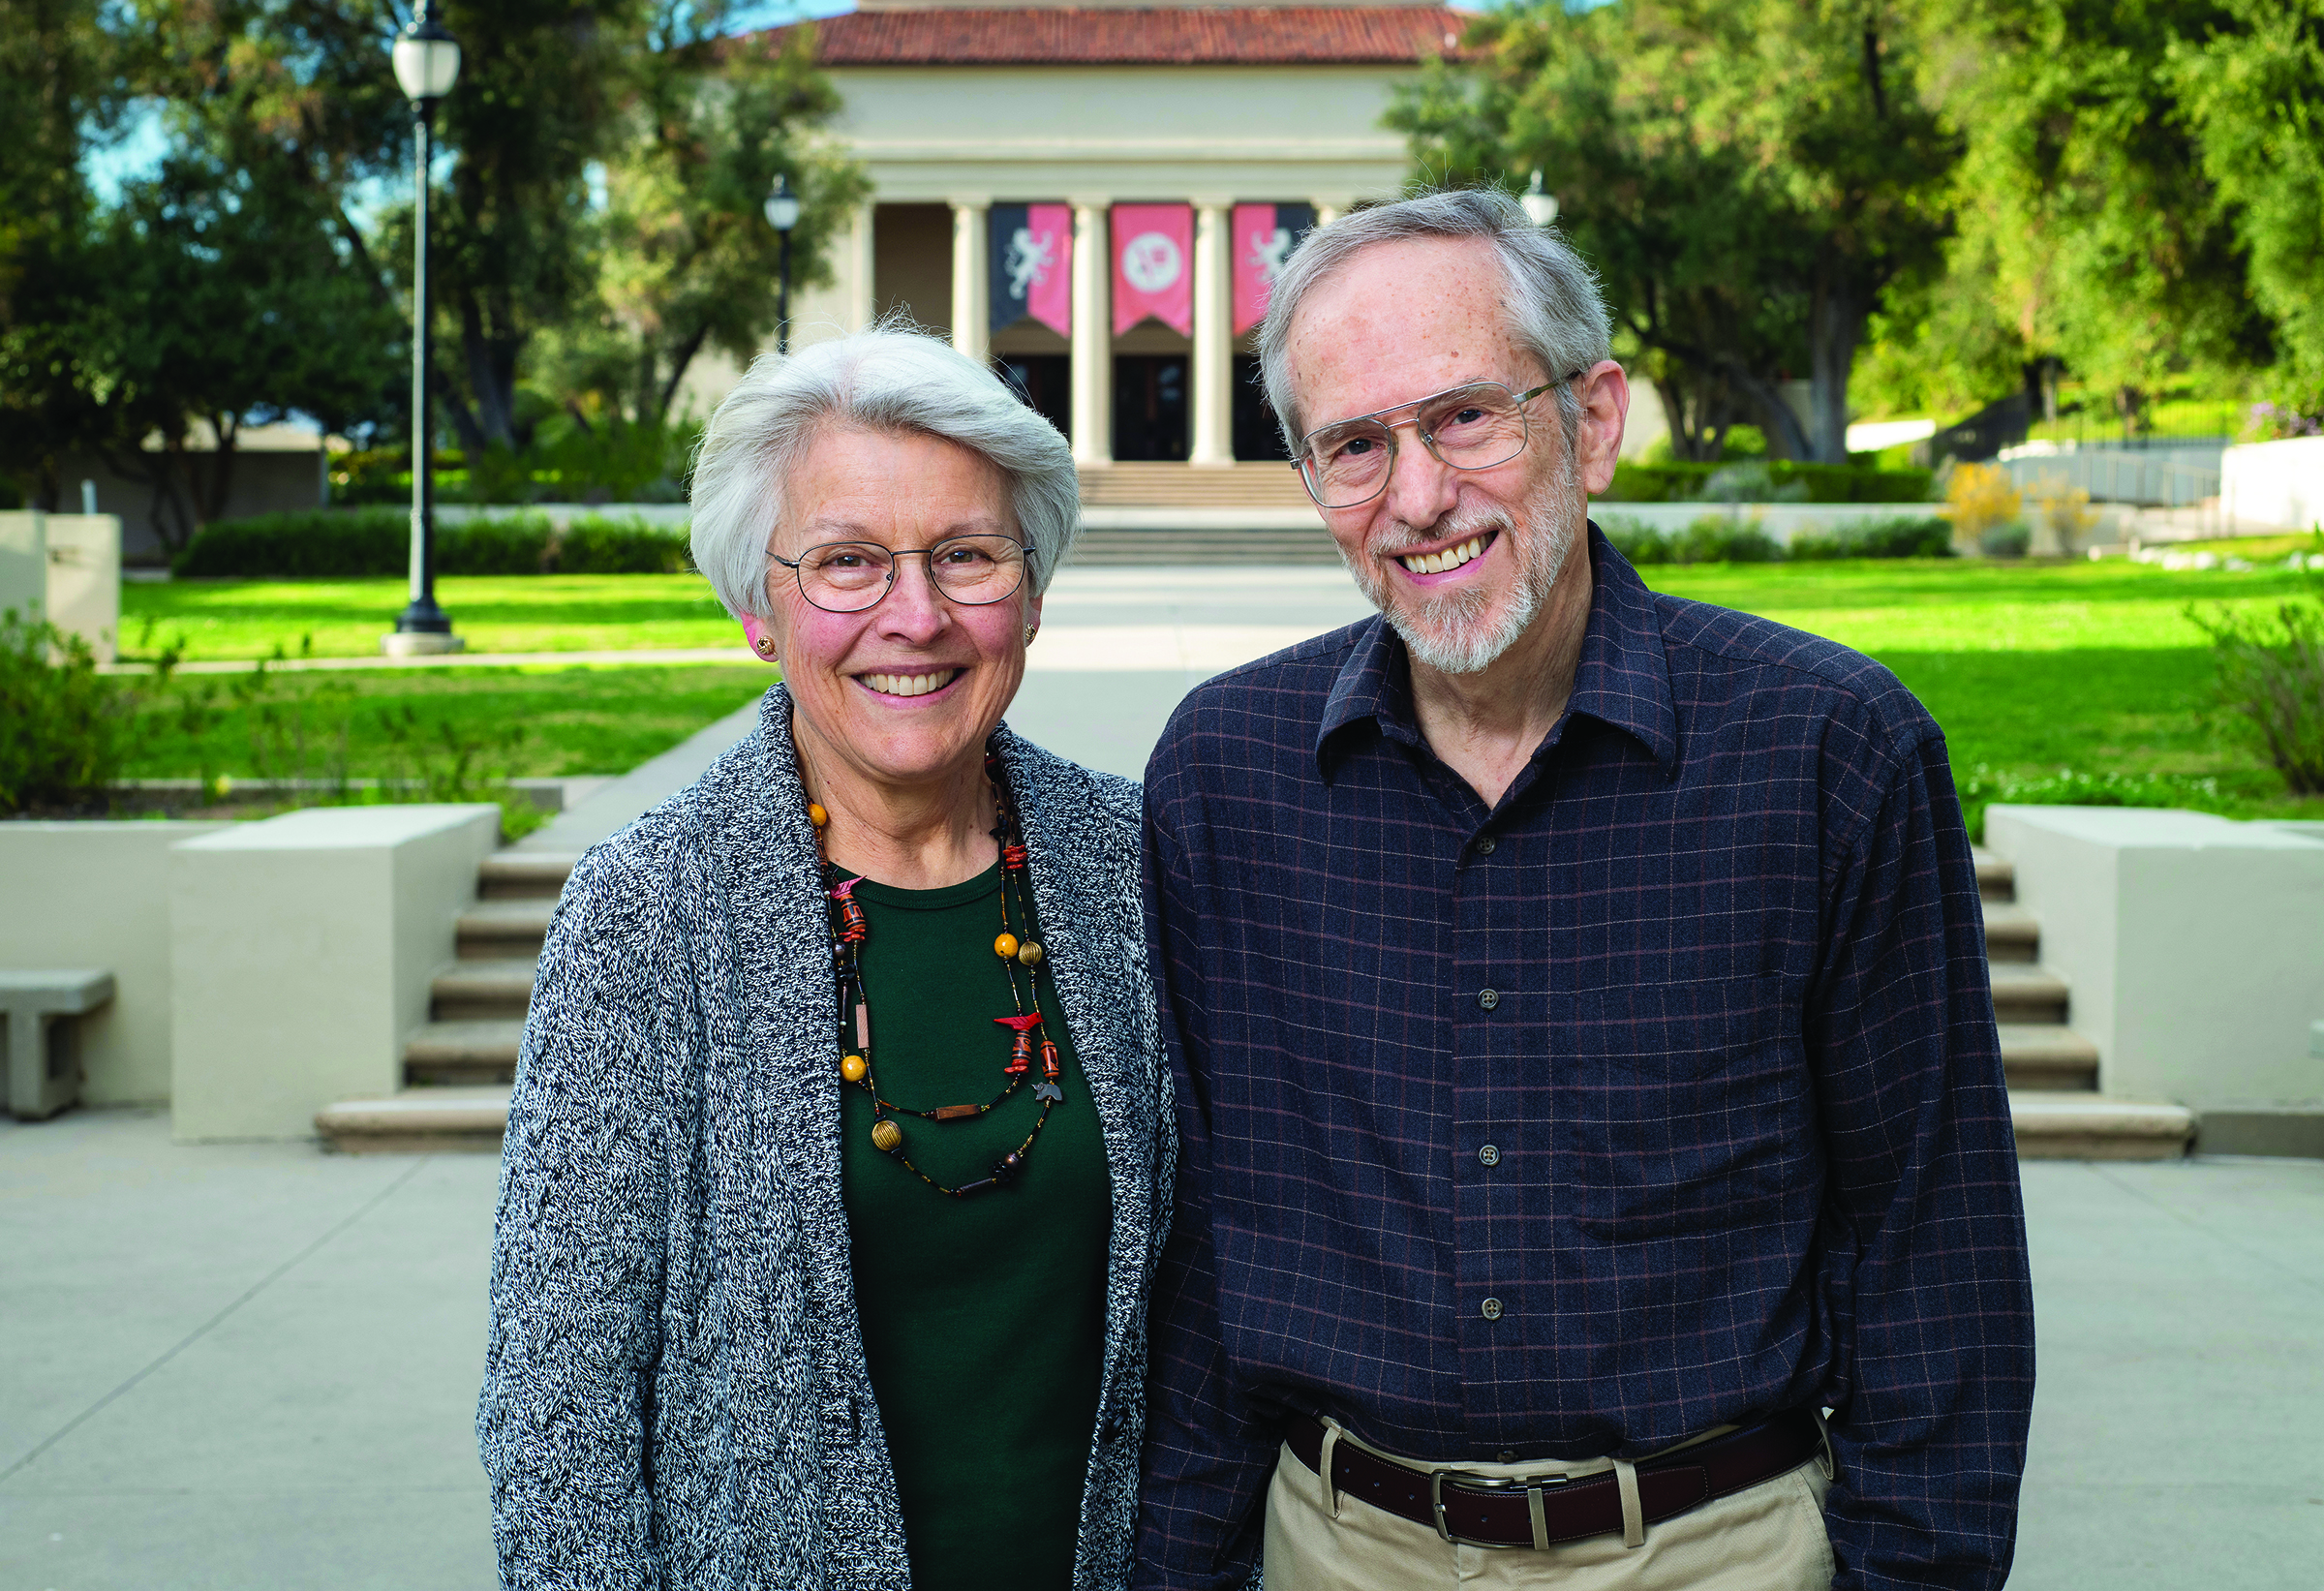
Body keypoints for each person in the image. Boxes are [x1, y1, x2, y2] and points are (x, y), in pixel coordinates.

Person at [1134, 190, 2034, 1591]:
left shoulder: (1824, 752)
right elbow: (1203, 1254)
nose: (1417, 495)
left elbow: (1937, 1251)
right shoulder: (1227, 774)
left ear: (1594, 419)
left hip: (1717, 1552)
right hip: (1338, 1550)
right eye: (1353, 446)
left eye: (1466, 417)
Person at [478, 327, 1173, 1591]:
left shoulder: (1135, 864)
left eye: (967, 555)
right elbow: (556, 1401)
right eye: (847, 562)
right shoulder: (647, 913)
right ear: (760, 607)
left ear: (1032, 591)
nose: (915, 617)